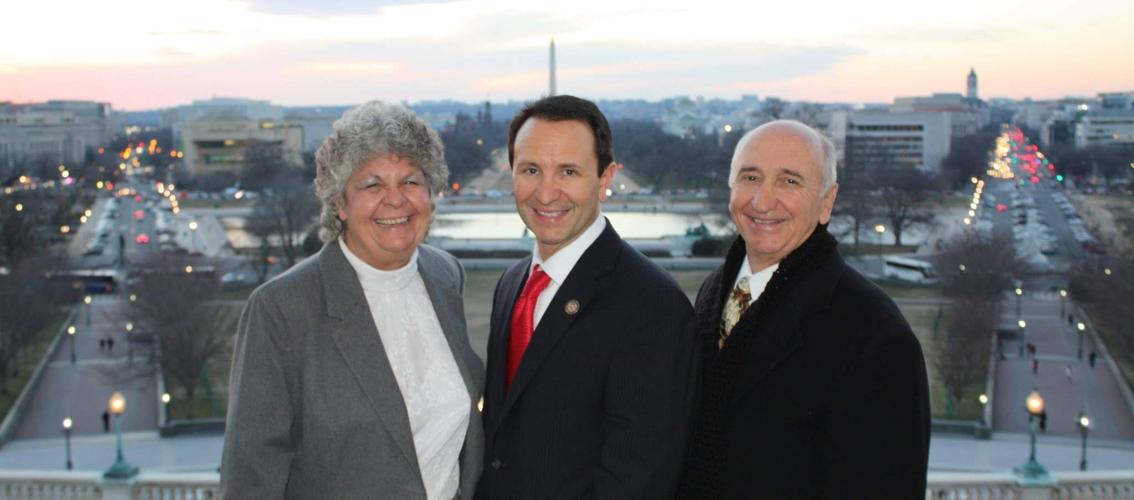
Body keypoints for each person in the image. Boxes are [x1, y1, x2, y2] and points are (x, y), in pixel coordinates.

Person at [220, 101, 484, 499]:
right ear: (339, 204)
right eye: (372, 185)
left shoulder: (446, 275)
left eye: (411, 181)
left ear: (431, 195)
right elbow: (251, 479)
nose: (395, 200)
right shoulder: (281, 309)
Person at [677, 120, 930, 498]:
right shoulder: (716, 290)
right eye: (750, 177)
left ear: (826, 202)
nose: (762, 201)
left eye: (789, 181)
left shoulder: (875, 336)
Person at [477, 95, 699, 499]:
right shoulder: (512, 285)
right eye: (530, 169)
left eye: (568, 171)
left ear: (605, 178)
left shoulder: (653, 307)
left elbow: (639, 480)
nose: (546, 193)